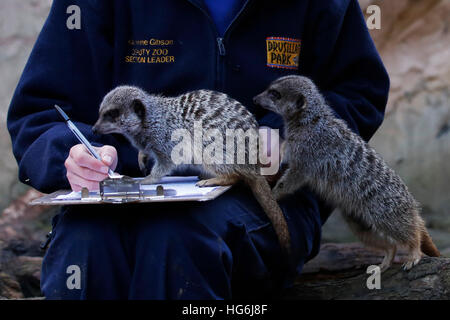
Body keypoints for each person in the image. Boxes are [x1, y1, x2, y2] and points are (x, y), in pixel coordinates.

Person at [7, 0, 389, 299]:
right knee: (86, 242)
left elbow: (359, 91)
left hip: (267, 195)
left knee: (179, 238)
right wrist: (71, 155)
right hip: (125, 191)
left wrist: (286, 138)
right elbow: (39, 113)